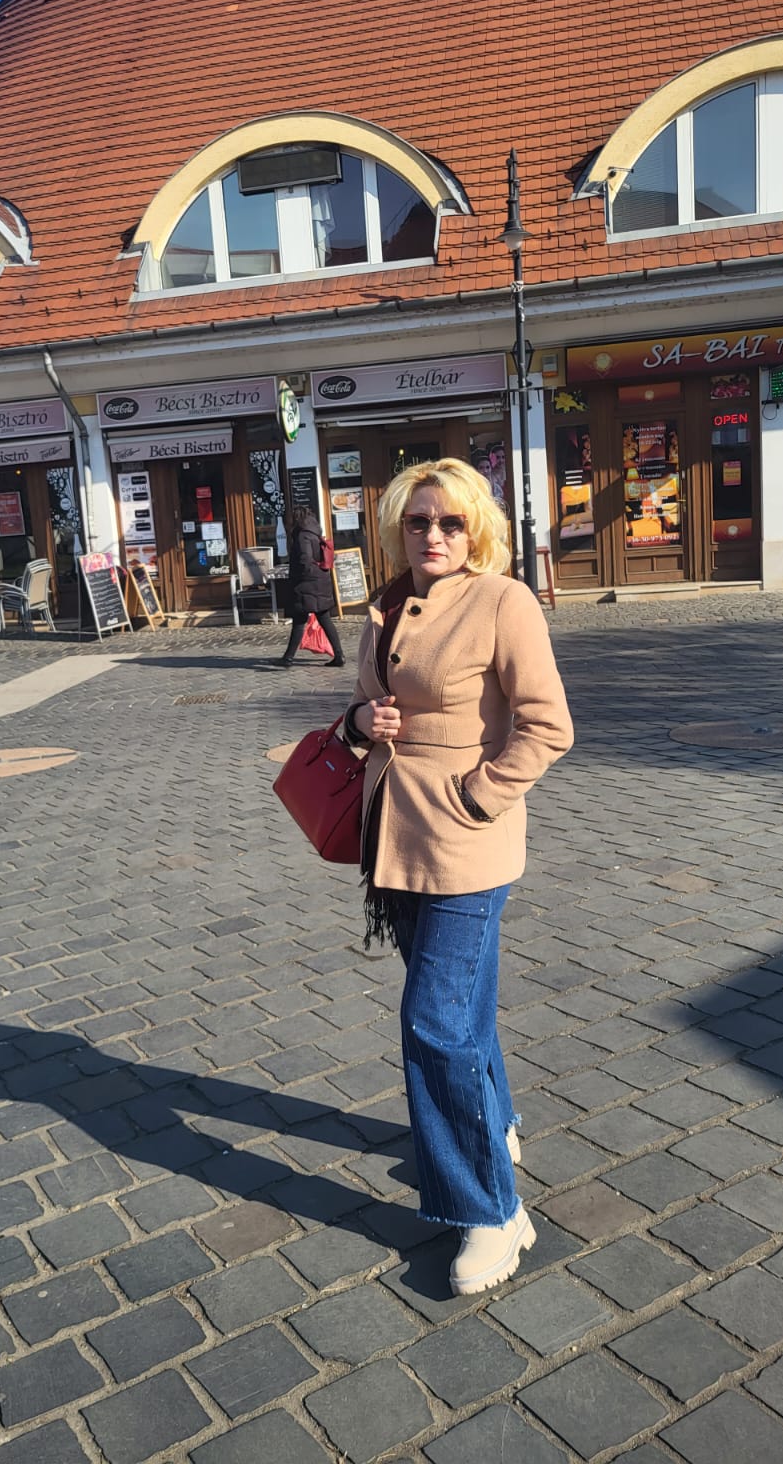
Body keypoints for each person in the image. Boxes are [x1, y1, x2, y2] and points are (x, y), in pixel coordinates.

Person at [343, 458, 573, 1296]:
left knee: (434, 1023)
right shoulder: (386, 605)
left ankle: (493, 1211)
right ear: (397, 529)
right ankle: (493, 1124)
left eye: (450, 522)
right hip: (396, 842)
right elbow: (364, 707)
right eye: (418, 521)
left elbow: (548, 726)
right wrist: (360, 719)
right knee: (462, 1009)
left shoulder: (503, 601)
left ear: (477, 530)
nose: (433, 535)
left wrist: (480, 795)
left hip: (467, 845)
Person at [275, 505, 346, 667]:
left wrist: (298, 576)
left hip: (307, 584)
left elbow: (305, 559)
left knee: (300, 619)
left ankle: (288, 658)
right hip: (319, 582)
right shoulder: (313, 531)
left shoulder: (302, 535)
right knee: (323, 619)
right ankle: (339, 655)